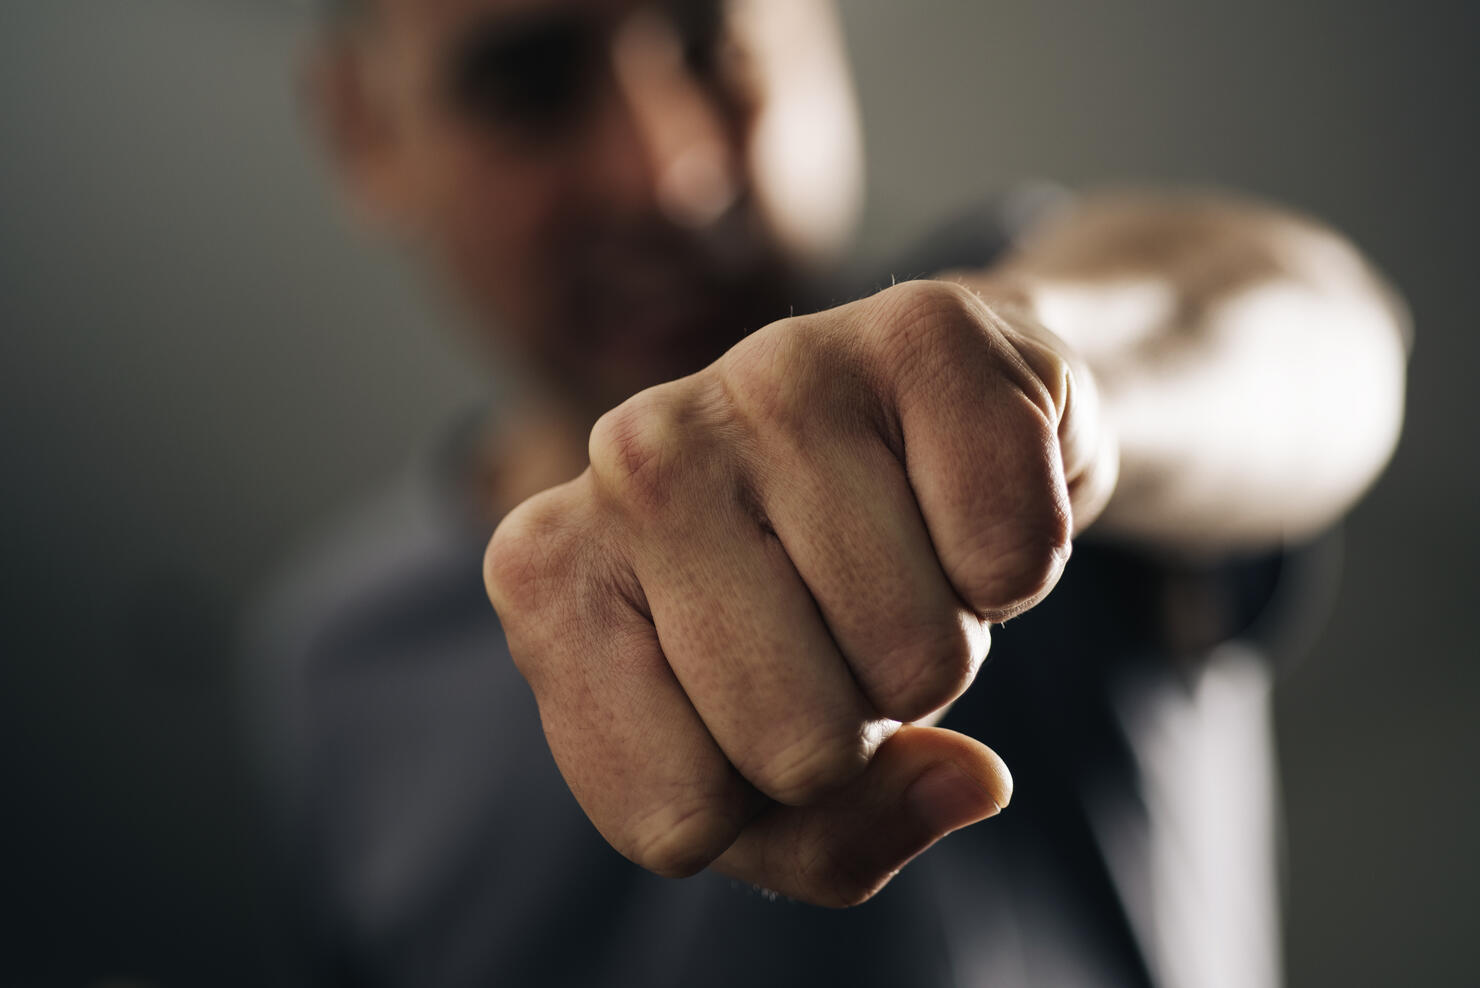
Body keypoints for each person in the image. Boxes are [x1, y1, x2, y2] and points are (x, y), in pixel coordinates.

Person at [248, 0, 1410, 984]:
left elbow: (1314, 341)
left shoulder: (996, 359)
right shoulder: (333, 662)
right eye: (529, 86)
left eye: (714, 44)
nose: (671, 173)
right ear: (364, 132)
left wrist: (1046, 374)